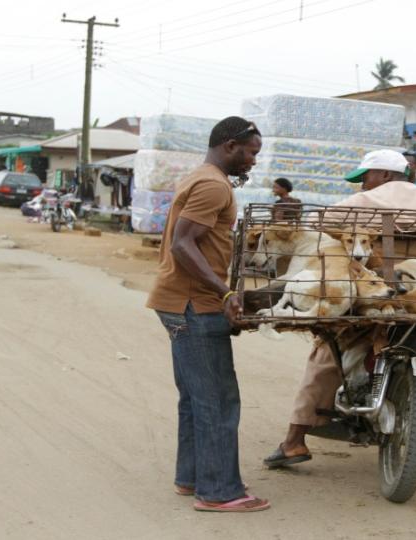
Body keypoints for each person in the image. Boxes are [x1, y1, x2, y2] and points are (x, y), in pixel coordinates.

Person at [263, 149, 416, 470]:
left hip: (374, 298)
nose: (363, 185)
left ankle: (295, 441)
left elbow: (313, 225)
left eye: (365, 177)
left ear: (384, 175)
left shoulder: (363, 202)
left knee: (327, 354)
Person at [145, 116, 270, 513]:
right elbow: (184, 244)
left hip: (180, 300)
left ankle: (192, 477)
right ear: (230, 145)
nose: (253, 161)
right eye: (251, 153)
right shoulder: (214, 185)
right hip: (194, 304)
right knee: (217, 398)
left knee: (196, 397)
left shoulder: (202, 177)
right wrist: (226, 291)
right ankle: (219, 491)